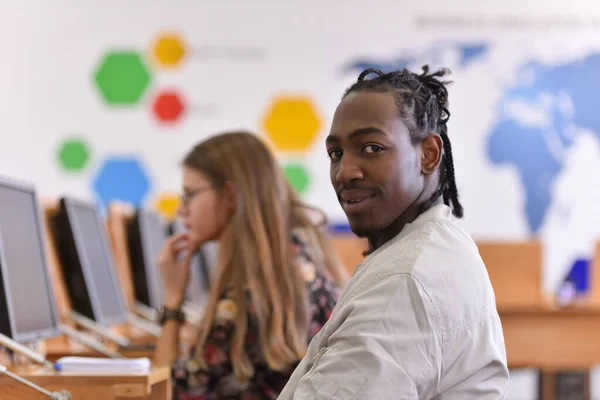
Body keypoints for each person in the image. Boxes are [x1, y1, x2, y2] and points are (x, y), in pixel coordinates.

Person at [278, 66, 510, 399]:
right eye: (336, 154)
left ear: (428, 154)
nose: (345, 172)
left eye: (372, 148)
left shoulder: (403, 280)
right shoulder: (437, 245)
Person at [152, 131, 347, 400]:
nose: (182, 210)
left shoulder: (246, 299)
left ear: (231, 195)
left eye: (190, 195)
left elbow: (168, 393)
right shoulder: (297, 262)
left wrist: (173, 301)